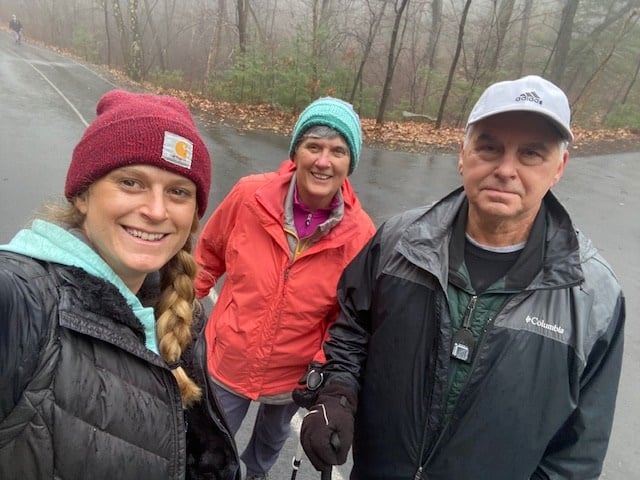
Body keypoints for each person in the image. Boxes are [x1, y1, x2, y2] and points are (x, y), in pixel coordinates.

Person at [297, 75, 626, 479]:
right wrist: (338, 393)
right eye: (489, 147)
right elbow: (352, 327)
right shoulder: (397, 243)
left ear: (559, 167)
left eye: (531, 153)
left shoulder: (593, 297)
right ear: (463, 153)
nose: (506, 169)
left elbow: (577, 451)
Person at [0, 89, 240, 480]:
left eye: (178, 191)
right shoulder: (22, 301)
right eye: (131, 183)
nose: (156, 210)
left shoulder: (171, 308)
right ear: (82, 194)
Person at [194, 97, 376, 479]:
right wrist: (177, 313)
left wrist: (324, 374)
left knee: (270, 441)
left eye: (338, 151)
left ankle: (256, 474)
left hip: (292, 378)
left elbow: (348, 317)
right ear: (296, 152)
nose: (323, 160)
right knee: (210, 443)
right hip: (228, 359)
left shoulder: (361, 235)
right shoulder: (249, 197)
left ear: (349, 163)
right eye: (314, 146)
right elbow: (207, 256)